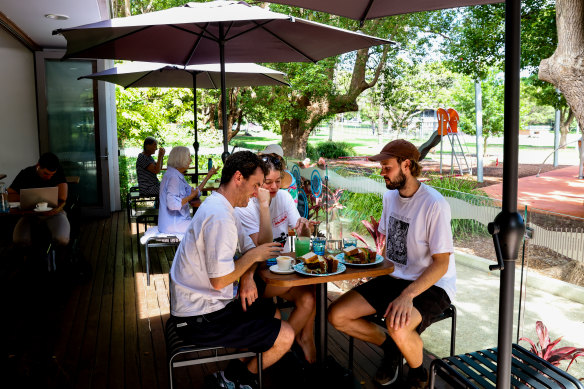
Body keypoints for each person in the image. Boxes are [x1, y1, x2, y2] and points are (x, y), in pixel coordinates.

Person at [328, 139, 456, 388]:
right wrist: (364, 264)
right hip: (394, 278)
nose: (382, 172)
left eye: (387, 167)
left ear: (406, 165)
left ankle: (418, 372)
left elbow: (441, 264)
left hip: (433, 284)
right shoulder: (390, 197)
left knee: (397, 325)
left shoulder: (434, 204)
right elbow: (389, 249)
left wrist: (407, 296)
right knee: (337, 315)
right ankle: (392, 349)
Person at [169, 151, 294, 388]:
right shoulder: (220, 216)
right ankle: (239, 380)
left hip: (201, 306)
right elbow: (220, 281)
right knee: (285, 335)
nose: (257, 192)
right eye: (256, 184)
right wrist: (253, 258)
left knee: (269, 310)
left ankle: (229, 377)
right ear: (239, 177)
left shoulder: (222, 206)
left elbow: (253, 248)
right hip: (198, 318)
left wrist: (248, 275)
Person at [235, 150, 317, 363]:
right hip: (254, 275)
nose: (273, 187)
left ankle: (282, 349)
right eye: (267, 183)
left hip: (281, 271)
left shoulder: (283, 197)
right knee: (309, 284)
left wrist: (304, 229)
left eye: (278, 181)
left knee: (309, 297)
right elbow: (263, 251)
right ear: (258, 182)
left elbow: (302, 241)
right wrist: (264, 206)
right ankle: (286, 346)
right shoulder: (246, 205)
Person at [8, 152, 70, 248]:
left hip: (53, 213)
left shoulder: (58, 172)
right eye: (46, 173)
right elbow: (10, 195)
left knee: (62, 239)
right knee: (19, 240)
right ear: (38, 166)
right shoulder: (26, 173)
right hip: (29, 215)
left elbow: (63, 197)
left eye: (52, 175)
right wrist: (28, 198)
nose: (49, 177)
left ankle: (53, 257)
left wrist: (30, 197)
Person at [158, 146, 217, 234]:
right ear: (181, 159)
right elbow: (172, 204)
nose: (191, 160)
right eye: (189, 157)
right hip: (173, 224)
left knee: (209, 224)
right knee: (210, 227)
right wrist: (190, 197)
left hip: (175, 222)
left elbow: (195, 192)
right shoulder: (174, 178)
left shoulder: (175, 174)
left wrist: (208, 176)